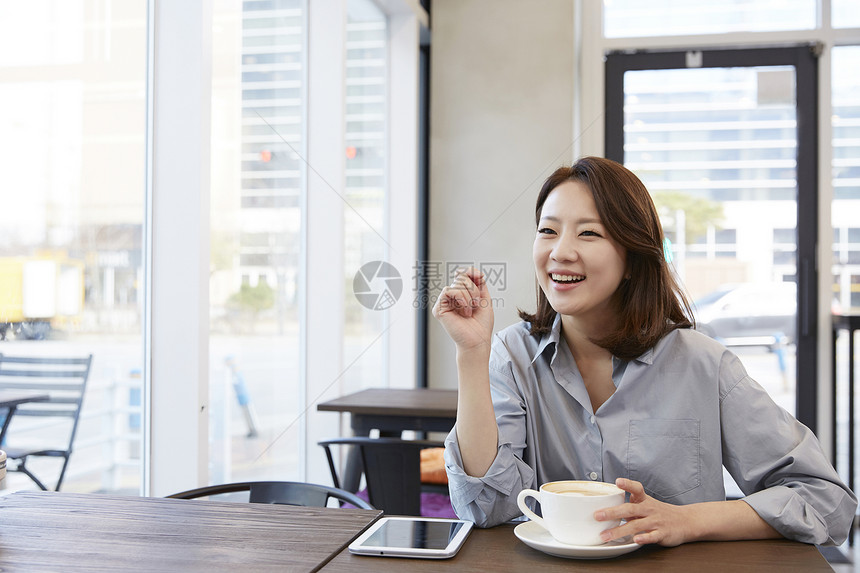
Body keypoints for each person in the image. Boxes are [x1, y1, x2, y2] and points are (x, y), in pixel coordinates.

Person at [433, 156, 856, 547]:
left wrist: (688, 521)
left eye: (588, 232)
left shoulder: (703, 364)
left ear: (633, 256)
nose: (560, 251)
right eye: (548, 230)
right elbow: (486, 507)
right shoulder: (511, 353)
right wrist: (471, 354)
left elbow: (827, 502)